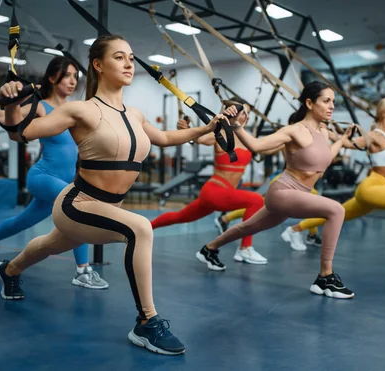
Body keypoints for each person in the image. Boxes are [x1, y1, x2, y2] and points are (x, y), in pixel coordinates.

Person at [0, 34, 225, 355]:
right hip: (78, 204)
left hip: (107, 208)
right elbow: (23, 132)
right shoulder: (80, 110)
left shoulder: (135, 114)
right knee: (139, 228)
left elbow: (166, 138)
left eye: (130, 56)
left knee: (50, 244)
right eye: (119, 57)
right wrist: (7, 104)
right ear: (98, 65)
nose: (129, 62)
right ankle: (147, 322)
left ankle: (9, 270)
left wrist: (206, 128)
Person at [196, 81, 355, 299]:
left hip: (297, 195)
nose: (331, 106)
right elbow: (257, 146)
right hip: (283, 192)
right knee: (336, 210)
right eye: (326, 101)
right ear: (309, 103)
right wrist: (237, 127)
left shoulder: (324, 132)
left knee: (248, 227)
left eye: (333, 102)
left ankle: (209, 249)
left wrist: (344, 140)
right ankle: (325, 277)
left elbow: (326, 154)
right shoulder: (294, 131)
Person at [0, 57, 108, 289]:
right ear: (52, 78)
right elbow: (3, 117)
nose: (72, 81)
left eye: (75, 77)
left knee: (23, 221)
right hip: (42, 177)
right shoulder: (41, 106)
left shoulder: (75, 109)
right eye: (67, 76)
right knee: (78, 207)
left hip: (65, 179)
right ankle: (83, 271)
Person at [284, 97, 385, 269]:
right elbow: (348, 143)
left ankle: (295, 229)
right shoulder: (375, 135)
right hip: (372, 187)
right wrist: (326, 131)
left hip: (380, 187)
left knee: (338, 213)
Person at [150, 97, 267, 265]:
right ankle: (245, 248)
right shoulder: (219, 134)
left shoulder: (249, 138)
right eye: (242, 113)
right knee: (256, 200)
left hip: (222, 194)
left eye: (248, 114)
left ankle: (145, 227)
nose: (246, 117)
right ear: (232, 114)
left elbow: (273, 145)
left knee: (181, 216)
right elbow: (198, 138)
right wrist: (186, 130)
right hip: (216, 190)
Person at [219, 112, 323, 248]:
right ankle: (302, 232)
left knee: (266, 206)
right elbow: (265, 149)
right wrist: (251, 144)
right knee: (265, 206)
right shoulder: (289, 138)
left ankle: (311, 234)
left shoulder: (309, 138)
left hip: (300, 182)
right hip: (288, 179)